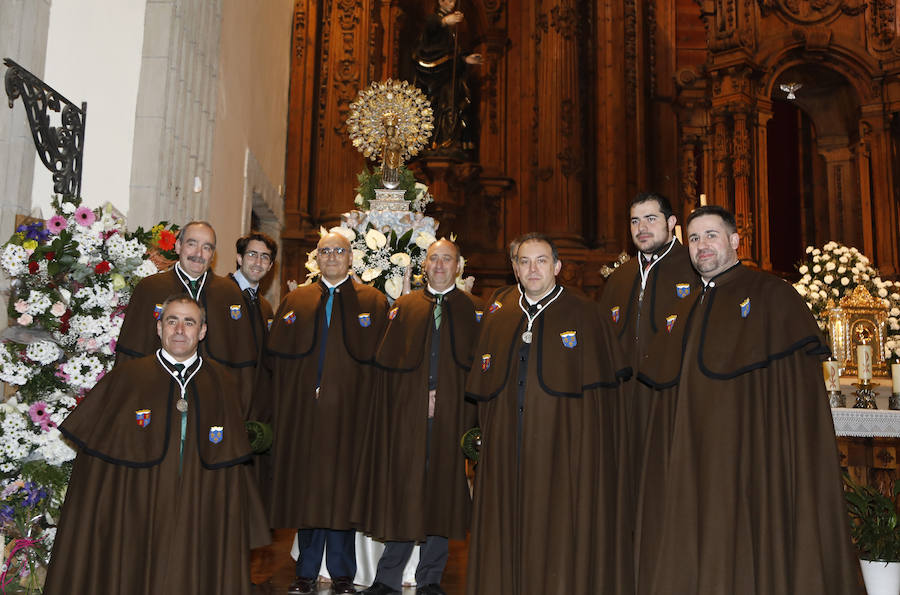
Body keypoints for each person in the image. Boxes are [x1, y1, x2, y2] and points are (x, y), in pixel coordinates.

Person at [635, 205, 858, 594]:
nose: (701, 245)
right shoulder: (685, 308)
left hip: (755, 458)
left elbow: (792, 398)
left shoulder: (771, 294)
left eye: (711, 235)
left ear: (735, 240)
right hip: (697, 456)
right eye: (693, 238)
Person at [43, 295, 269, 594]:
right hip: (137, 512)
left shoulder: (222, 381)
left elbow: (231, 467)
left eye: (189, 322)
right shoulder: (126, 378)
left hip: (200, 511)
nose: (179, 329)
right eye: (172, 320)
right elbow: (98, 472)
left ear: (202, 332)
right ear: (159, 328)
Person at [464, 233, 632, 594]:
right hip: (509, 444)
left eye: (541, 260)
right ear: (514, 268)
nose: (532, 268)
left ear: (557, 266)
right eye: (524, 261)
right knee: (505, 521)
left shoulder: (587, 312)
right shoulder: (499, 310)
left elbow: (602, 399)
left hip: (563, 446)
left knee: (556, 523)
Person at [263, 232, 390, 595]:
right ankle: (305, 572)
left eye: (339, 251)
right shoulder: (296, 299)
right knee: (308, 490)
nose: (332, 256)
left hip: (351, 417)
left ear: (351, 258)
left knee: (342, 492)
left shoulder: (373, 300)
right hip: (305, 416)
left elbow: (383, 365)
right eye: (326, 251)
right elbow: (277, 363)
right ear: (316, 258)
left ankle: (342, 573)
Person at [354, 239, 482, 595]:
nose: (440, 265)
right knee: (404, 490)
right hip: (409, 420)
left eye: (447, 259)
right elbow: (387, 371)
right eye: (434, 258)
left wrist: (453, 404)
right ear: (424, 264)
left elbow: (480, 371)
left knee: (443, 492)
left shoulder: (476, 310)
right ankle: (387, 579)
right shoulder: (405, 306)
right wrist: (415, 400)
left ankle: (430, 579)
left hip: (453, 419)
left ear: (458, 266)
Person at [597, 192, 699, 579]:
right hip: (624, 403)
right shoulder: (619, 277)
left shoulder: (693, 267)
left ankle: (670, 571)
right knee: (625, 489)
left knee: (667, 489)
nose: (642, 228)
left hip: (672, 401)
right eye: (635, 221)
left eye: (651, 219)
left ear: (672, 223)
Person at [115, 221, 259, 414]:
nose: (199, 254)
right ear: (178, 246)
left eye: (206, 247)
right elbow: (128, 356)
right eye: (192, 244)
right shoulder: (150, 288)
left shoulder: (230, 293)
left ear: (213, 254)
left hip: (212, 404)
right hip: (155, 400)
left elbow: (243, 365)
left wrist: (240, 414)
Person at [412, 0, 482, 154]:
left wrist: (465, 59)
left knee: (455, 105)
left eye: (453, 0)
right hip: (433, 77)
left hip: (449, 76)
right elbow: (430, 29)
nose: (451, 3)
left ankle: (450, 142)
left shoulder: (450, 28)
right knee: (438, 107)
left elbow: (451, 53)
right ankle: (437, 142)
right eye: (447, 0)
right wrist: (444, 21)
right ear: (440, 1)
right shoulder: (434, 20)